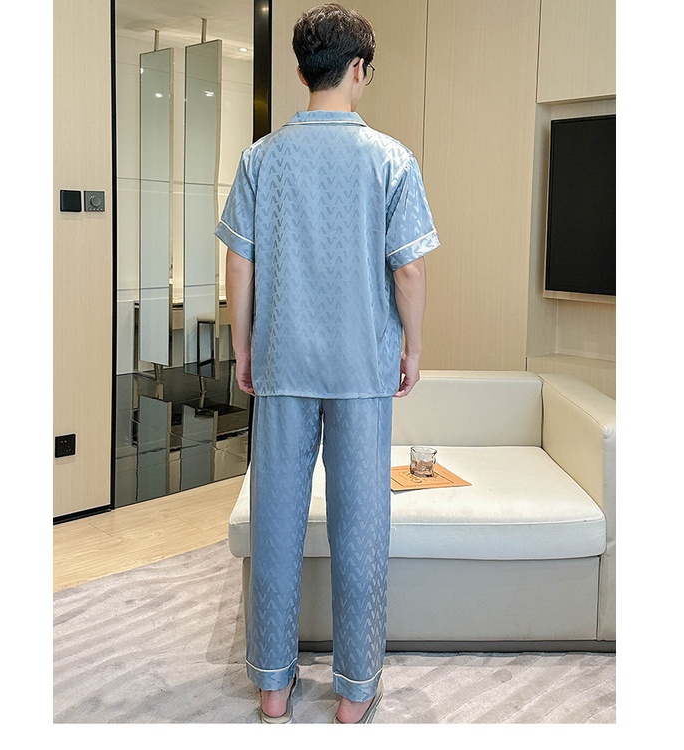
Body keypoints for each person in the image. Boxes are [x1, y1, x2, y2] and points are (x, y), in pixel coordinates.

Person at [215, 2, 439, 724]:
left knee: (275, 521)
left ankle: (273, 687)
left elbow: (239, 264)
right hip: (361, 368)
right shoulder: (391, 159)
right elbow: (409, 270)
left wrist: (243, 347)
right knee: (362, 525)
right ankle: (354, 692)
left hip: (282, 362)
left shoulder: (260, 159)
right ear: (358, 69)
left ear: (301, 69)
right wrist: (412, 348)